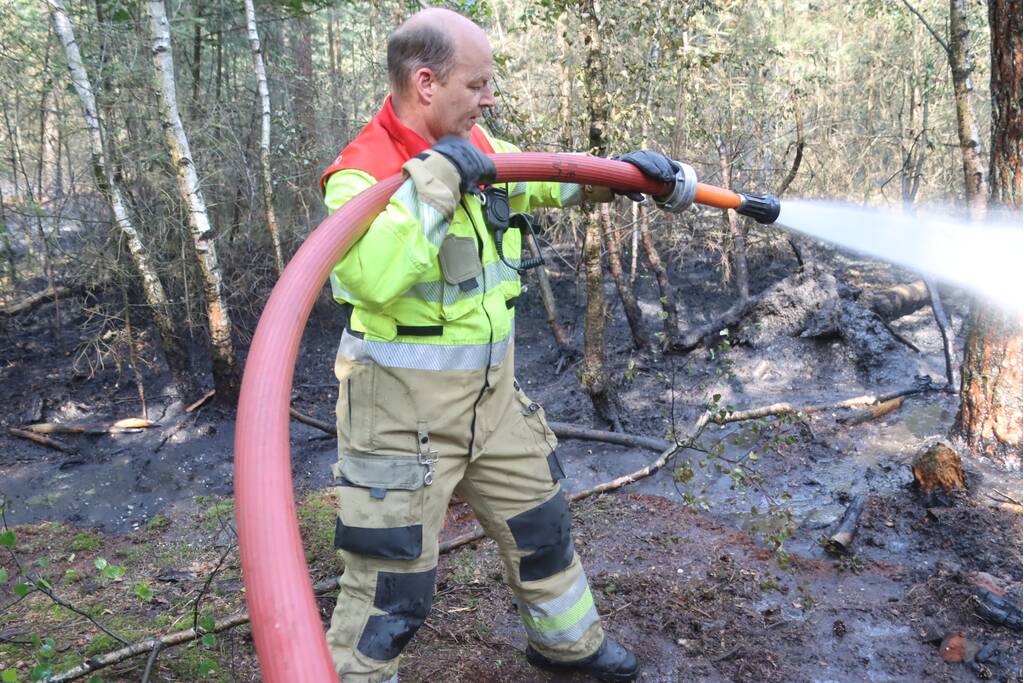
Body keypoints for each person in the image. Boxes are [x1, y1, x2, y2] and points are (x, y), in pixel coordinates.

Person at [320, 8, 684, 682]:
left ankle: (566, 646)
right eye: (477, 84)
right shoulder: (359, 173)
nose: (489, 99)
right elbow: (368, 278)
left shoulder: (477, 141)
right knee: (390, 589)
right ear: (425, 82)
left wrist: (622, 174)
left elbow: (548, 178)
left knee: (542, 527)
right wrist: (435, 184)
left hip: (493, 404)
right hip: (400, 422)